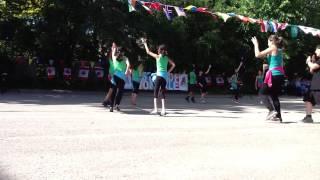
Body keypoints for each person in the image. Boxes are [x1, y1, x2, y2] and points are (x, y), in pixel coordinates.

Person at [251, 35, 285, 122]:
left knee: (262, 93)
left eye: (268, 41)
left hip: (274, 75)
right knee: (274, 95)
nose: (267, 43)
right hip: (279, 75)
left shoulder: (273, 47)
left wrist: (256, 44)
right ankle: (278, 116)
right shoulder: (279, 49)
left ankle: (271, 111)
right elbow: (274, 61)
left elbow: (257, 54)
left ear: (271, 41)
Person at [142, 38, 176, 116]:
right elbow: (174, 65)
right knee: (163, 92)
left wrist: (144, 43)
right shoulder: (166, 58)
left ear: (160, 50)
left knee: (156, 92)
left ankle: (156, 109)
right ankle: (163, 110)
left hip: (158, 76)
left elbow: (148, 52)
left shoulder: (157, 56)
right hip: (164, 77)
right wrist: (168, 72)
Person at [301, 45, 320, 123]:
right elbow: (312, 70)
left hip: (318, 85)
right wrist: (312, 62)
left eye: (317, 50)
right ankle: (308, 117)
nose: (315, 52)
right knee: (308, 98)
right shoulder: (318, 60)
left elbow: (313, 66)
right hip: (315, 84)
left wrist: (309, 62)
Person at [109, 45, 130, 112]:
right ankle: (116, 105)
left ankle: (111, 106)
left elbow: (113, 52)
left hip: (116, 76)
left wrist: (114, 48)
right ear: (123, 52)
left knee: (114, 91)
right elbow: (128, 64)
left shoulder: (115, 57)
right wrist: (127, 70)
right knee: (119, 92)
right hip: (122, 77)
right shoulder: (125, 58)